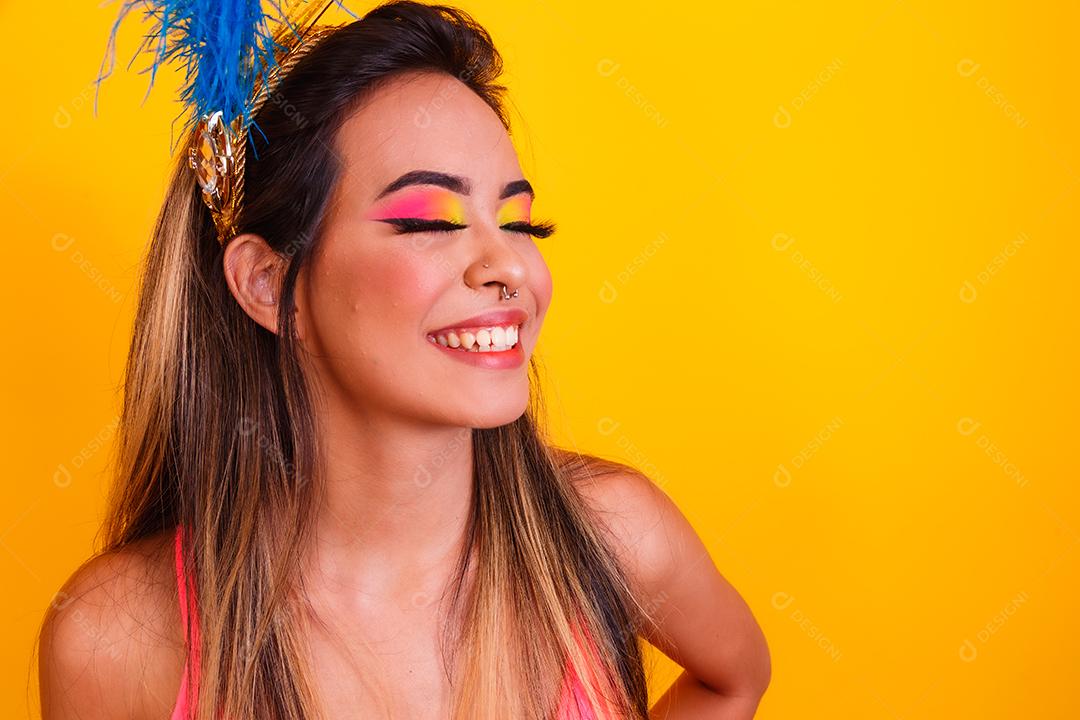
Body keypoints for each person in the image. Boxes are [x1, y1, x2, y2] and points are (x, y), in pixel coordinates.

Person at [37, 2, 771, 718]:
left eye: (519, 222)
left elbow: (733, 677)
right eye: (429, 221)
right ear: (269, 286)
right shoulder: (115, 638)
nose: (508, 267)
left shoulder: (614, 536)